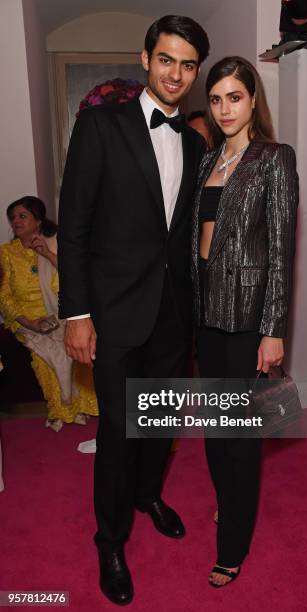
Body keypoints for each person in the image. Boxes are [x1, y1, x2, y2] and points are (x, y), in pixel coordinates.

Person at [58, 15, 209, 606]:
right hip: (115, 315)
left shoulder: (196, 143)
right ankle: (110, 538)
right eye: (166, 59)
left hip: (174, 315)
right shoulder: (100, 125)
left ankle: (149, 495)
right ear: (145, 58)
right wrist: (76, 313)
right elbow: (73, 227)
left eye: (188, 64)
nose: (176, 74)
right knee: (120, 433)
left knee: (161, 426)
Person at [192, 56, 299, 587]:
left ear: (254, 100)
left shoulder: (273, 158)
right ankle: (229, 503)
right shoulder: (209, 159)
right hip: (206, 314)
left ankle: (232, 543)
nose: (224, 108)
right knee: (215, 428)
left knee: (239, 435)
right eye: (216, 99)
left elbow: (281, 249)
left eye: (234, 96)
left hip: (248, 317)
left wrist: (273, 327)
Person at [0, 197, 98, 432]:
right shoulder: (6, 253)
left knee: (77, 348)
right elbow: (4, 297)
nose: (16, 221)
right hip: (27, 320)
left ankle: (83, 407)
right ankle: (60, 410)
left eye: (22, 216)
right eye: (13, 217)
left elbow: (74, 278)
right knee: (46, 358)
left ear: (39, 220)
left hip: (61, 313)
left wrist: (46, 254)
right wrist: (29, 322)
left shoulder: (55, 244)